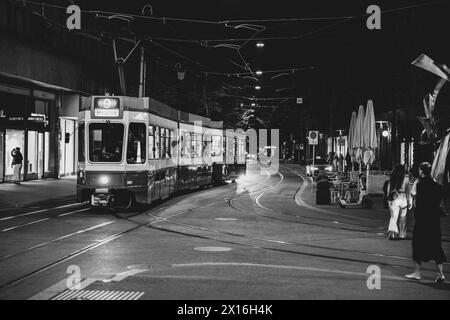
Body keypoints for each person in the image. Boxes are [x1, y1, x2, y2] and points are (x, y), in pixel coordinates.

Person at [405, 162, 446, 283]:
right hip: (434, 221)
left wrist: (417, 216)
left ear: (421, 171)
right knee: (436, 246)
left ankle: (417, 272)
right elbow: (440, 203)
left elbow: (420, 203)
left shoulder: (420, 185)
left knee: (417, 244)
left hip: (422, 220)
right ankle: (440, 274)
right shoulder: (438, 186)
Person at [386, 165, 412, 240]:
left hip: (394, 199)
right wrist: (409, 201)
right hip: (403, 198)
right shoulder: (406, 178)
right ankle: (402, 234)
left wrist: (389, 201)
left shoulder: (392, 178)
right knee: (403, 217)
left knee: (394, 217)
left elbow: (388, 190)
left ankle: (392, 232)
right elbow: (408, 191)